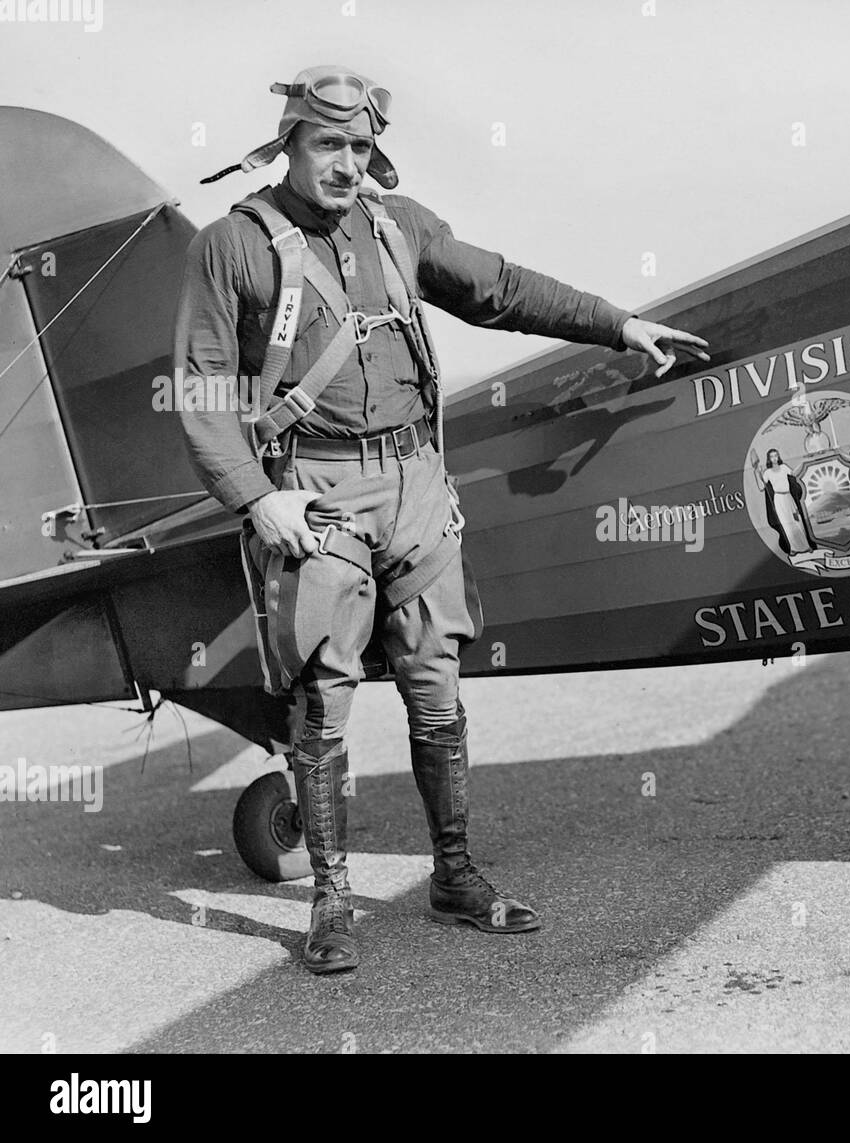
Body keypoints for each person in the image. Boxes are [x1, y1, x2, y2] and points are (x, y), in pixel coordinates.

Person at [175, 66, 708, 973]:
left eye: (359, 147)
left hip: (418, 486)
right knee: (323, 702)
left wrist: (617, 325)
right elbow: (202, 389)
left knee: (437, 688)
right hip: (319, 493)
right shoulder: (233, 246)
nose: (346, 163)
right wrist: (259, 500)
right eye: (327, 144)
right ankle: (332, 901)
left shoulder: (401, 225)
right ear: (290, 143)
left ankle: (454, 875)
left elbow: (498, 287)